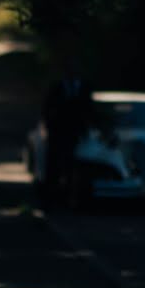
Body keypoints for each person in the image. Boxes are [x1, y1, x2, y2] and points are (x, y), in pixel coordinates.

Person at [41, 59, 94, 206]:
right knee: (53, 166)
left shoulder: (84, 88)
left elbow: (90, 110)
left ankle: (69, 198)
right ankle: (51, 198)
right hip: (57, 131)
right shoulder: (57, 88)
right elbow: (47, 109)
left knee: (73, 167)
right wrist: (48, 127)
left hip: (76, 133)